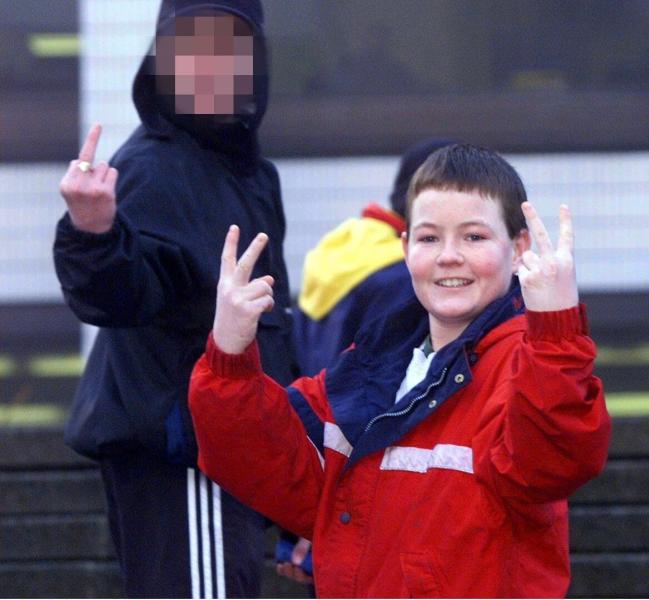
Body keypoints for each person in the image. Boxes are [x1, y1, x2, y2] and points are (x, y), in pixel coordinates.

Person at [189, 143, 612, 597]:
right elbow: (263, 465)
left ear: (519, 247)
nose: (449, 255)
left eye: (474, 237)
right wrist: (229, 353)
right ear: (405, 246)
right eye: (430, 238)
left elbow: (552, 463)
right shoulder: (368, 364)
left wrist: (556, 330)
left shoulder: (530, 362)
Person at [53, 1, 295, 597]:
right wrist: (92, 231)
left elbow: (273, 327)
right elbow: (120, 294)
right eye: (191, 49)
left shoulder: (249, 173)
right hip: (184, 461)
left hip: (230, 459)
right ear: (162, 64)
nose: (210, 66)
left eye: (229, 49)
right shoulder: (152, 167)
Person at [276, 137, 455, 584]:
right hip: (369, 488)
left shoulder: (342, 251)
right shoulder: (402, 278)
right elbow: (383, 394)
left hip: (324, 466)